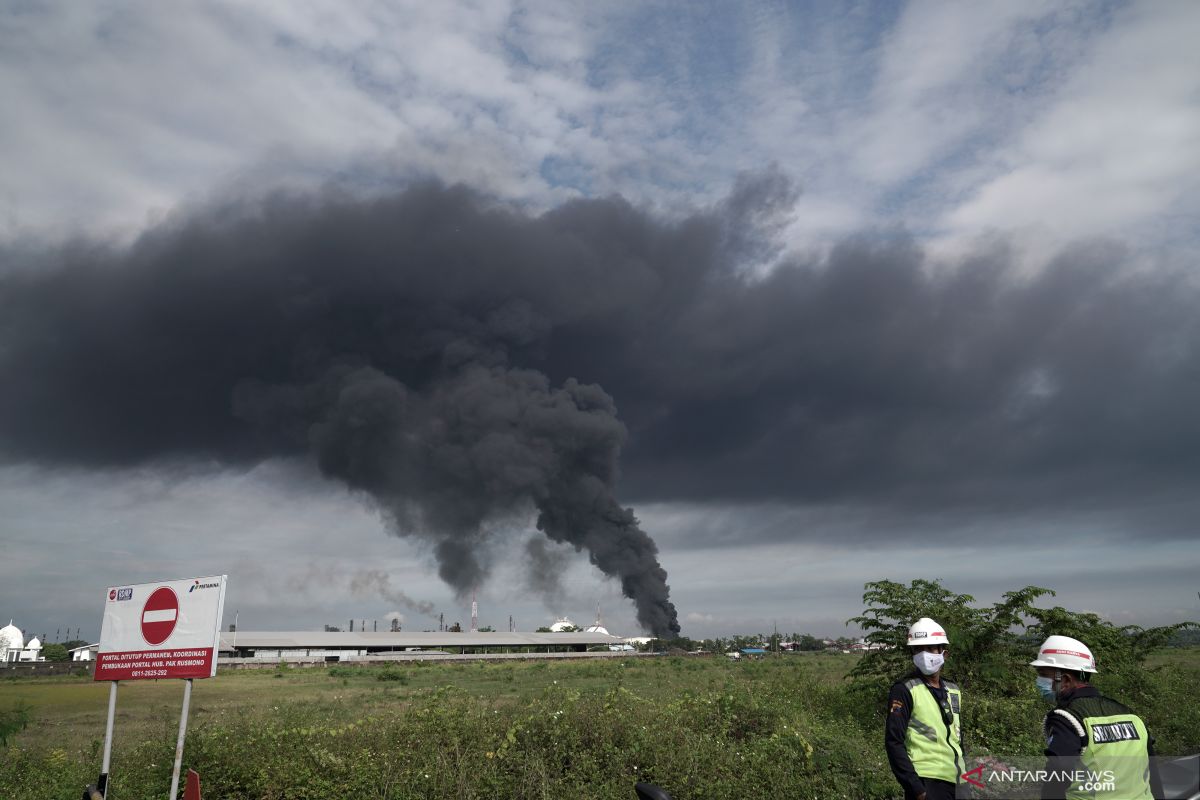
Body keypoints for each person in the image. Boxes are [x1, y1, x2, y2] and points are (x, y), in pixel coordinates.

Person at [1030, 635, 1164, 800]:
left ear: (1064, 680)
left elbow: (1057, 778)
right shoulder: (1130, 714)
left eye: (1043, 674)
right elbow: (1152, 773)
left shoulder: (1066, 718)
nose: (1039, 681)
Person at [886, 617, 965, 800]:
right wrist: (917, 789)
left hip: (957, 779)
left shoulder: (953, 689)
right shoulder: (904, 689)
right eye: (918, 649)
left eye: (930, 648)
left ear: (944, 653)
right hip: (926, 780)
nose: (924, 654)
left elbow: (958, 737)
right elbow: (893, 742)